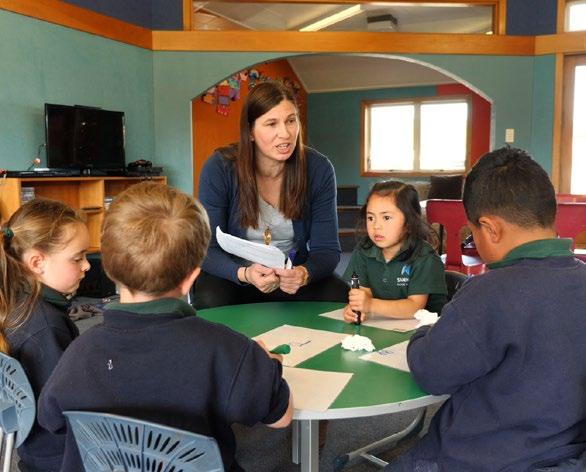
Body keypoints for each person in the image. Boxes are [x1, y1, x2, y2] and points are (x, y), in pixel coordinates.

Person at [37, 182, 293, 472]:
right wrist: (269, 362)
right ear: (191, 278)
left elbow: (51, 420)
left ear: (107, 268)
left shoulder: (80, 353)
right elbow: (281, 417)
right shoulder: (228, 350)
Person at [386, 147, 586, 471]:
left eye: (473, 233)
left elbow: (431, 370)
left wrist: (422, 333)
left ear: (490, 228)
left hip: (480, 458)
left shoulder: (488, 293)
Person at [195, 80, 348, 308]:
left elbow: (327, 250)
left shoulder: (319, 169)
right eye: (271, 124)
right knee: (209, 298)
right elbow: (207, 249)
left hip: (290, 275)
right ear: (250, 132)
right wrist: (245, 274)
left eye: (291, 121)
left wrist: (303, 273)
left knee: (341, 295)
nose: (285, 133)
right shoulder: (219, 168)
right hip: (235, 276)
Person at [0, 199, 89, 472]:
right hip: (60, 458)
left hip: (36, 450)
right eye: (78, 258)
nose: (87, 265)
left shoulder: (17, 303)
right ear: (37, 262)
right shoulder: (46, 326)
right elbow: (63, 410)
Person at [342, 181, 447, 323]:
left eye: (386, 218)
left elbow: (415, 307)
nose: (376, 226)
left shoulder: (425, 256)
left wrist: (370, 305)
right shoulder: (364, 250)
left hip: (426, 329)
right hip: (385, 327)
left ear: (409, 223)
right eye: (370, 218)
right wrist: (357, 308)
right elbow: (364, 293)